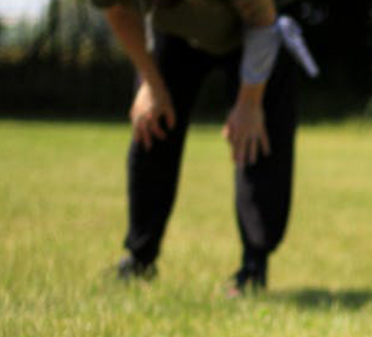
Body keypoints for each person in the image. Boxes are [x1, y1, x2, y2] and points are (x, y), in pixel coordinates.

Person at [96, 0, 316, 295]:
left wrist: (250, 103)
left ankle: (254, 266)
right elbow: (118, 9)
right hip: (172, 32)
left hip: (254, 30)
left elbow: (262, 17)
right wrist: (150, 82)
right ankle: (140, 257)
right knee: (152, 123)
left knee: (256, 139)